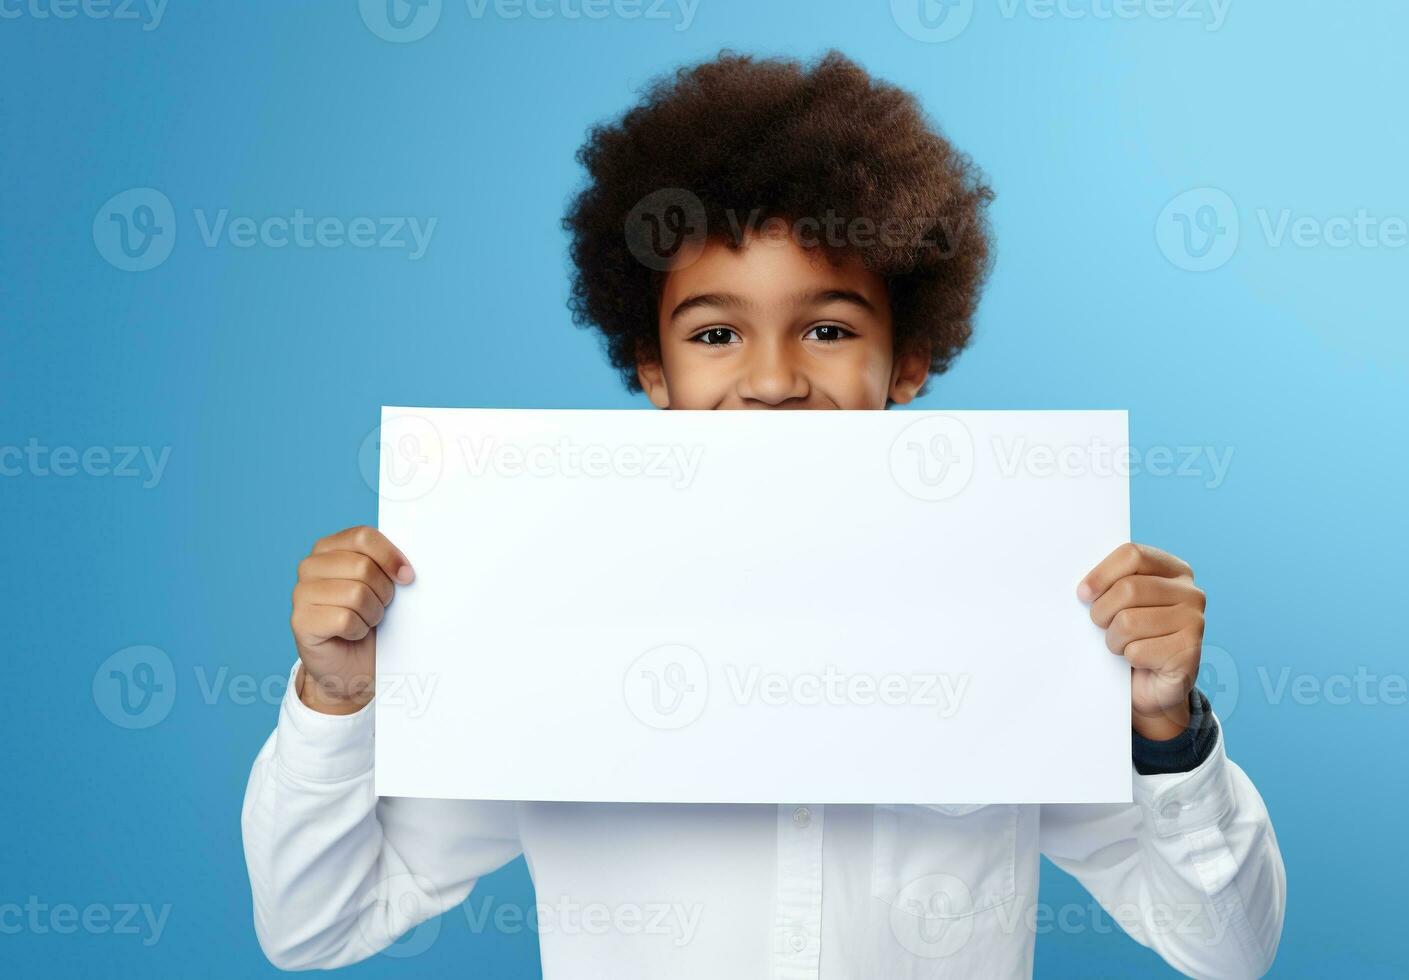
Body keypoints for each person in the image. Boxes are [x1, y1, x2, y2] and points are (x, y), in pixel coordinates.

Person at [242, 51, 1285, 978]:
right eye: (715, 335)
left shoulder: (1026, 614)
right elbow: (316, 925)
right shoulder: (544, 620)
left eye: (827, 327)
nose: (775, 380)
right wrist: (336, 699)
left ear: (908, 358)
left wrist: (1165, 730)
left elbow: (1227, 950)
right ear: (651, 367)